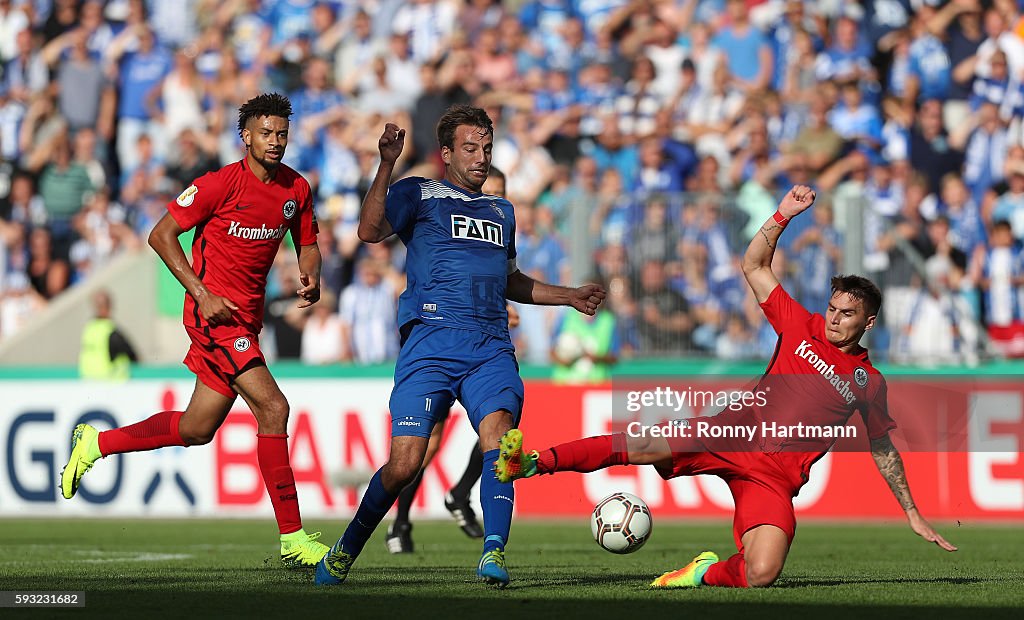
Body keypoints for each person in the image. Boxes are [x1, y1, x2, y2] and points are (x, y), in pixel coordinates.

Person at [496, 185, 956, 588]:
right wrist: (782, 217)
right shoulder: (802, 325)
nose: (834, 318)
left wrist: (912, 511)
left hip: (773, 476)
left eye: (847, 314)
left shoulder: (868, 383)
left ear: (868, 322)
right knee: (642, 444)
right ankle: (534, 462)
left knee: (762, 573)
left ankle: (703, 572)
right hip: (730, 434)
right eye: (833, 308)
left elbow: (883, 446)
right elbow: (754, 264)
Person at [315, 105, 606, 588]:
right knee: (405, 463)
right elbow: (368, 232)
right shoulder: (419, 191)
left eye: (487, 148)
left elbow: (511, 280)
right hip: (429, 343)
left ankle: (493, 552)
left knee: (503, 440)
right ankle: (346, 549)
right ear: (446, 153)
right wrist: (386, 163)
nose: (480, 158)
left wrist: (568, 295)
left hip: (491, 345)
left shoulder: (501, 210)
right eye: (470, 148)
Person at [60, 93, 330, 569]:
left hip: (246, 319)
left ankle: (95, 444)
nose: (275, 141)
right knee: (274, 406)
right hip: (214, 317)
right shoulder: (218, 184)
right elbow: (160, 234)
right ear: (245, 136)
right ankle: (293, 538)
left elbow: (308, 244)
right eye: (266, 133)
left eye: (282, 134)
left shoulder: (296, 189)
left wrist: (312, 272)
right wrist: (202, 292)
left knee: (196, 428)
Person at [385, 166, 516, 553]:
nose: (491, 196)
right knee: (427, 444)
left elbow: (499, 274)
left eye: (501, 190)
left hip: (487, 338)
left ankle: (460, 493)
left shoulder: (500, 216)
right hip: (441, 339)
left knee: (497, 429)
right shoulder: (441, 212)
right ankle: (401, 522)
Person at [79, 289, 139, 381]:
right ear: (109, 306)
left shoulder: (89, 329)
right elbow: (133, 357)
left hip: (88, 382)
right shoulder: (111, 332)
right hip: (110, 384)